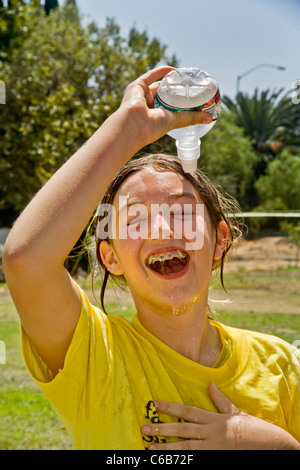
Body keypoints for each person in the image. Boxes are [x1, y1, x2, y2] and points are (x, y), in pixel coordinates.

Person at [3, 66, 300, 450]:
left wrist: (273, 444)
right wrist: (128, 130)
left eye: (181, 212)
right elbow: (26, 258)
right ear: (110, 258)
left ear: (220, 240)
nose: (161, 229)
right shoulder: (97, 358)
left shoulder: (281, 366)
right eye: (136, 219)